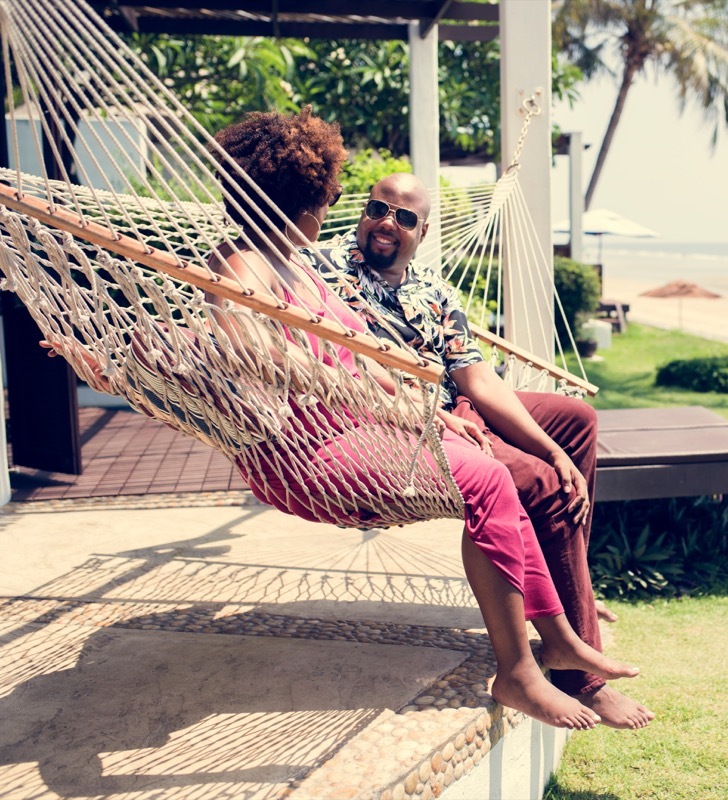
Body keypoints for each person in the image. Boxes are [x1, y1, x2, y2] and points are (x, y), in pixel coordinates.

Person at [79, 109, 638, 731]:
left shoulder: (296, 266)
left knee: (522, 456)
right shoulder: (245, 263)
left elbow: (365, 362)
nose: (336, 214)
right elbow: (240, 341)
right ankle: (521, 672)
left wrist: (429, 415)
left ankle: (558, 637)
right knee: (493, 479)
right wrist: (121, 360)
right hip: (305, 448)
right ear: (303, 206)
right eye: (332, 200)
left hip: (373, 424)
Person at [313, 173, 654, 730]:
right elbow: (334, 359)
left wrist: (553, 448)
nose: (386, 223)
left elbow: (476, 378)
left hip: (459, 405)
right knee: (536, 481)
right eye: (377, 209)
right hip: (403, 421)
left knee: (576, 423)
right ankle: (579, 674)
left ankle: (569, 591)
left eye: (404, 217)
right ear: (363, 211)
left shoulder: (434, 290)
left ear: (422, 232)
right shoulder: (326, 270)